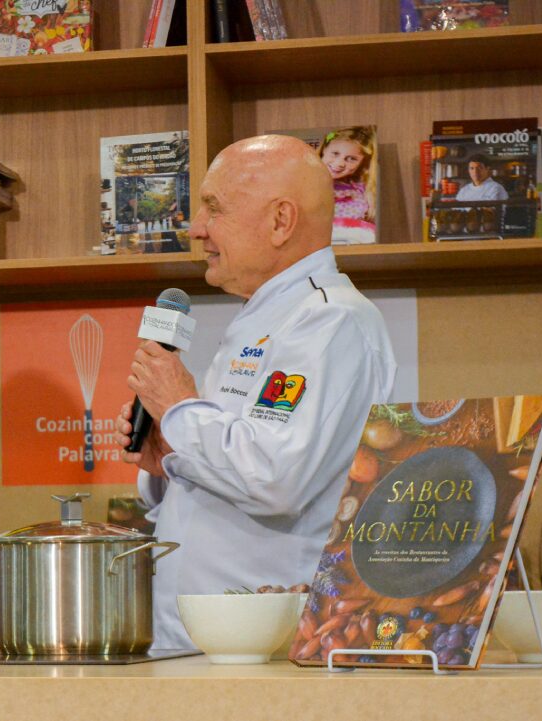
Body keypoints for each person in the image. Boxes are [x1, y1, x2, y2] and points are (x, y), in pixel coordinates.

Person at [117, 135, 397, 650]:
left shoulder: (328, 321)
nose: (196, 227)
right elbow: (237, 464)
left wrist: (180, 409)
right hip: (209, 644)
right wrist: (171, 458)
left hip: (271, 649)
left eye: (213, 208)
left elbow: (275, 479)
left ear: (280, 221)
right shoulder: (263, 319)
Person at [318, 126, 377, 244]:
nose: (340, 163)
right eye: (335, 153)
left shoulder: (364, 190)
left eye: (351, 159)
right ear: (324, 149)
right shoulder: (306, 184)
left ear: (362, 162)